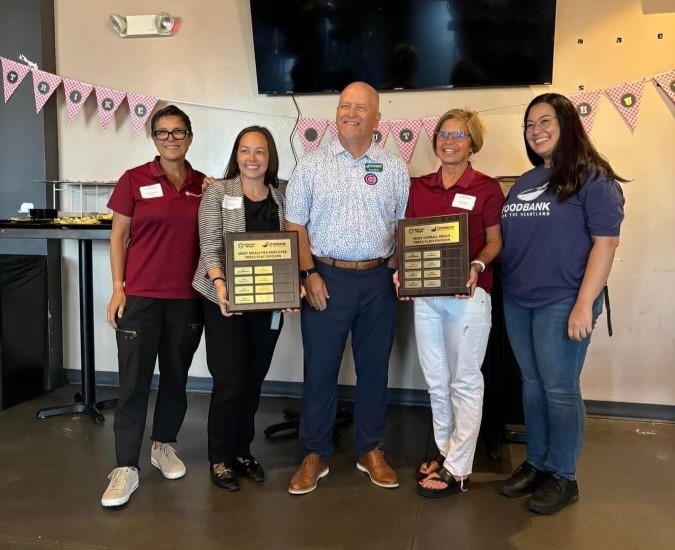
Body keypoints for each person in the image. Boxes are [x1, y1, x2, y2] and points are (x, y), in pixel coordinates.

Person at [499, 93, 625, 514]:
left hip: (564, 301)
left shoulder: (593, 178)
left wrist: (583, 304)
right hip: (518, 301)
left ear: (568, 122)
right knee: (532, 388)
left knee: (559, 390)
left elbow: (605, 246)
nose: (535, 130)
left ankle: (564, 476)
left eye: (545, 121)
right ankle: (537, 463)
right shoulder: (524, 181)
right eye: (529, 124)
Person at [285, 81, 410, 494]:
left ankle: (370, 448)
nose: (351, 113)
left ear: (377, 119)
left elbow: (402, 225)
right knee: (320, 368)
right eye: (344, 106)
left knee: (374, 368)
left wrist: (397, 269)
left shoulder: (394, 167)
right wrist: (308, 274)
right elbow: (295, 225)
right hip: (326, 277)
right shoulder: (311, 165)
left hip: (378, 279)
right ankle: (315, 452)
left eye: (361, 108)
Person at [395, 108, 504, 498]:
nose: (449, 141)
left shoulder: (487, 187)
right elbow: (407, 240)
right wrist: (401, 273)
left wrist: (476, 264)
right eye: (444, 134)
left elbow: (495, 241)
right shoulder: (419, 187)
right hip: (426, 299)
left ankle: (459, 468)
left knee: (464, 381)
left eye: (459, 135)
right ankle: (445, 450)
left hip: (468, 298)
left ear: (472, 142)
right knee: (436, 382)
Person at [102, 105, 206, 507]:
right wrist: (117, 288)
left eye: (178, 132)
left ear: (190, 137)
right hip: (142, 298)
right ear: (154, 138)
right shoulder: (134, 180)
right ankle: (125, 466)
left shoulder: (203, 185)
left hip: (187, 300)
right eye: (163, 133)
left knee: (176, 378)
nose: (171, 139)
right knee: (133, 384)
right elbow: (118, 237)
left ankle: (163, 444)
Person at [192, 126, 293, 492]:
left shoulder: (282, 196)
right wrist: (220, 285)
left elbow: (288, 249)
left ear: (270, 157)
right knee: (229, 381)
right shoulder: (218, 192)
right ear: (236, 155)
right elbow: (209, 247)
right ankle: (219, 456)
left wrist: (290, 288)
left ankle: (242, 450)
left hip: (267, 305)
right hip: (225, 301)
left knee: (252, 380)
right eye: (245, 150)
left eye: (260, 151)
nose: (252, 158)